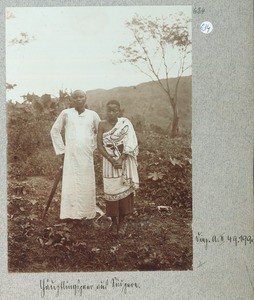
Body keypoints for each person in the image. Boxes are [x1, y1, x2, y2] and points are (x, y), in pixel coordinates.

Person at [50, 90, 101, 221]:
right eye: (75, 97)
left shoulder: (93, 115)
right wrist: (62, 151)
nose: (78, 99)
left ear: (85, 98)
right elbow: (54, 131)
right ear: (71, 99)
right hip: (70, 156)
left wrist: (92, 146)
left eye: (81, 97)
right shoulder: (66, 113)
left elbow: (100, 133)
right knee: (70, 183)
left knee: (86, 183)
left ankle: (87, 214)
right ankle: (69, 215)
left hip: (86, 156)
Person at [97, 100, 139, 235]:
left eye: (114, 110)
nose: (111, 113)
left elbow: (130, 142)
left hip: (123, 163)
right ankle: (114, 223)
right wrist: (111, 160)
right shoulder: (102, 124)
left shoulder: (125, 123)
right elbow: (99, 146)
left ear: (119, 111)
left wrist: (120, 159)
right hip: (108, 164)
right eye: (108, 110)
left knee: (124, 193)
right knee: (111, 193)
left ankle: (122, 223)